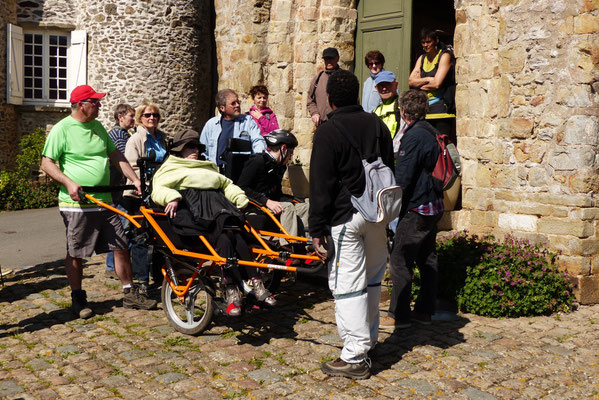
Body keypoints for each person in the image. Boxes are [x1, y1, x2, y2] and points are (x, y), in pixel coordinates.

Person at [41, 85, 158, 319]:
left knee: (120, 244)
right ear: (82, 104)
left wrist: (134, 179)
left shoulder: (97, 127)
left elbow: (115, 155)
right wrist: (69, 183)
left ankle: (129, 292)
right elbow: (47, 164)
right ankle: (78, 298)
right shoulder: (62, 129)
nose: (100, 105)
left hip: (104, 200)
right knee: (76, 252)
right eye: (95, 101)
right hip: (77, 203)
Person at [309, 70, 393, 380]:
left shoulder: (328, 132)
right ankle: (368, 341)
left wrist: (315, 229)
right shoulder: (377, 125)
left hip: (346, 217)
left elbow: (321, 185)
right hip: (377, 215)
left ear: (329, 98)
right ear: (359, 94)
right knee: (372, 282)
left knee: (347, 286)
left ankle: (355, 355)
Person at [152, 129, 276, 315]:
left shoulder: (207, 166)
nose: (195, 150)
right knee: (229, 233)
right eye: (190, 146)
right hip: (194, 214)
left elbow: (227, 184)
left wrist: (239, 198)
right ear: (179, 150)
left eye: (197, 146)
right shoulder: (171, 167)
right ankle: (248, 284)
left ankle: (239, 288)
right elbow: (158, 188)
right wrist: (172, 196)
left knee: (230, 237)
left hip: (218, 208)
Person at [380, 89, 444, 330]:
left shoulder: (414, 136)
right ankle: (425, 311)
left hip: (417, 207)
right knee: (427, 258)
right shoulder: (431, 131)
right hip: (434, 204)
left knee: (399, 258)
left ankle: (399, 314)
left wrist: (388, 206)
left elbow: (403, 178)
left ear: (403, 112)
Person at [123, 100, 168, 294]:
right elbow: (131, 166)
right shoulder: (135, 140)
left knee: (161, 235)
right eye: (147, 115)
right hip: (139, 193)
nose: (152, 118)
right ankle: (141, 280)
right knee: (140, 237)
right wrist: (145, 183)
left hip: (161, 191)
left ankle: (160, 276)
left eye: (155, 115)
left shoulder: (162, 137)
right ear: (140, 119)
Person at [236, 129, 309, 240]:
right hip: (254, 207)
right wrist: (266, 201)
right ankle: (290, 246)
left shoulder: (279, 166)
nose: (291, 157)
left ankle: (307, 243)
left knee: (305, 207)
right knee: (288, 207)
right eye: (291, 152)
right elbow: (241, 188)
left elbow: (276, 193)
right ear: (283, 148)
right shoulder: (257, 162)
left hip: (270, 205)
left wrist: (293, 199)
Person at [408, 28, 456, 141]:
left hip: (441, 112)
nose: (425, 45)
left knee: (441, 147)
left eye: (428, 42)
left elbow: (436, 84)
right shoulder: (422, 58)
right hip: (424, 110)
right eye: (423, 42)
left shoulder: (444, 56)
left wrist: (419, 83)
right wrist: (429, 78)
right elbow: (411, 81)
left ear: (436, 41)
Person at [105, 103, 136, 280]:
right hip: (116, 188)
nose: (133, 119)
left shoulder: (125, 133)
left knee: (121, 225)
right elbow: (124, 158)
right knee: (121, 226)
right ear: (120, 117)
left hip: (119, 188)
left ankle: (114, 266)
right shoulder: (117, 134)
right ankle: (112, 266)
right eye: (131, 116)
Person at [200, 89, 266, 167]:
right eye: (233, 103)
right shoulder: (211, 125)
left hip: (240, 173)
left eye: (238, 102)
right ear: (222, 108)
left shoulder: (248, 121)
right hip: (215, 173)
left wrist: (256, 161)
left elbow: (258, 142)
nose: (237, 105)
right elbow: (203, 150)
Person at [372, 71, 407, 158]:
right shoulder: (375, 111)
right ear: (376, 88)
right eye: (381, 85)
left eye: (387, 84)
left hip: (398, 159)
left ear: (396, 85)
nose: (384, 89)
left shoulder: (403, 107)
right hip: (381, 159)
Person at [307, 47, 341, 127]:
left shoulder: (345, 77)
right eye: (326, 59)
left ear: (337, 58)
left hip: (340, 125)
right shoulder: (317, 79)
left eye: (331, 58)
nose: (328, 61)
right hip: (322, 125)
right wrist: (314, 113)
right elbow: (310, 100)